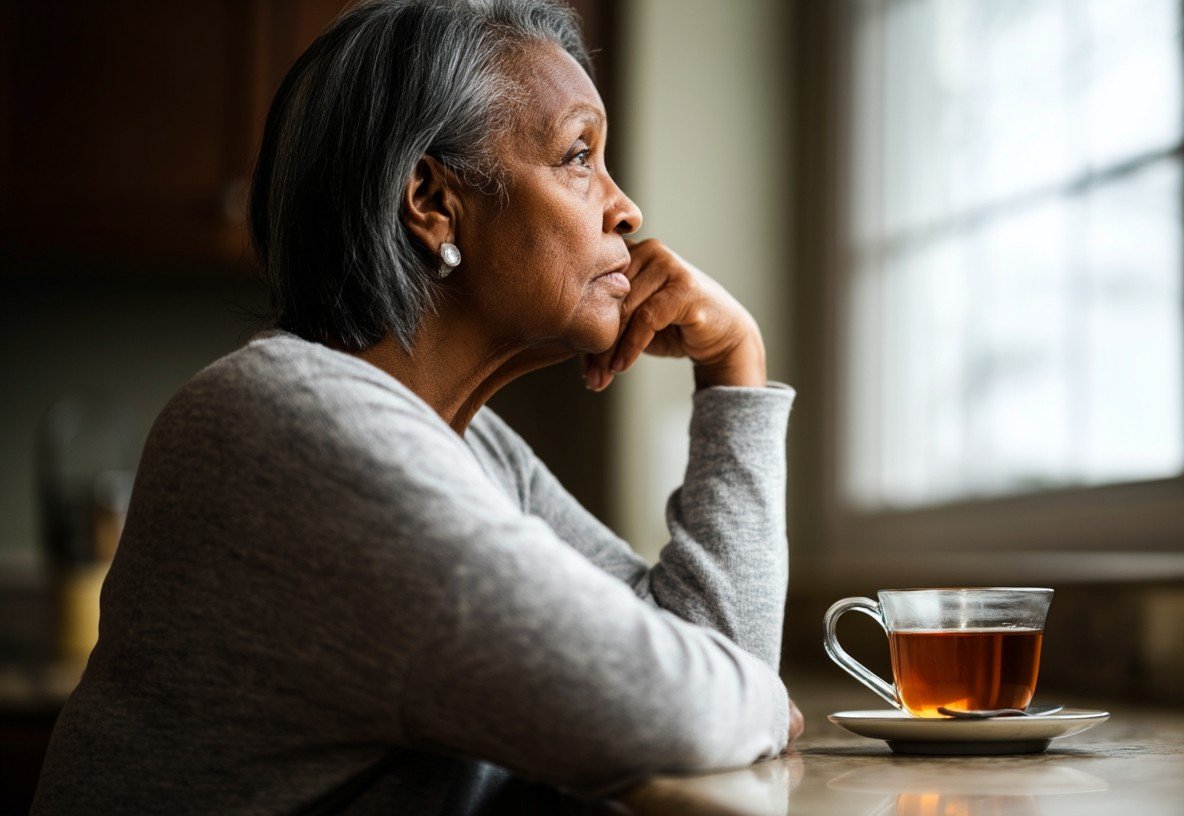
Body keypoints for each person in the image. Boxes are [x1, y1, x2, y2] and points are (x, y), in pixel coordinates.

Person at [30, 0, 802, 812]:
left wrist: (733, 372)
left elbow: (714, 672)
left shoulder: (474, 451)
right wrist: (736, 695)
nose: (627, 209)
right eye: (579, 155)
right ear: (431, 201)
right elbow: (672, 710)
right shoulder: (284, 424)